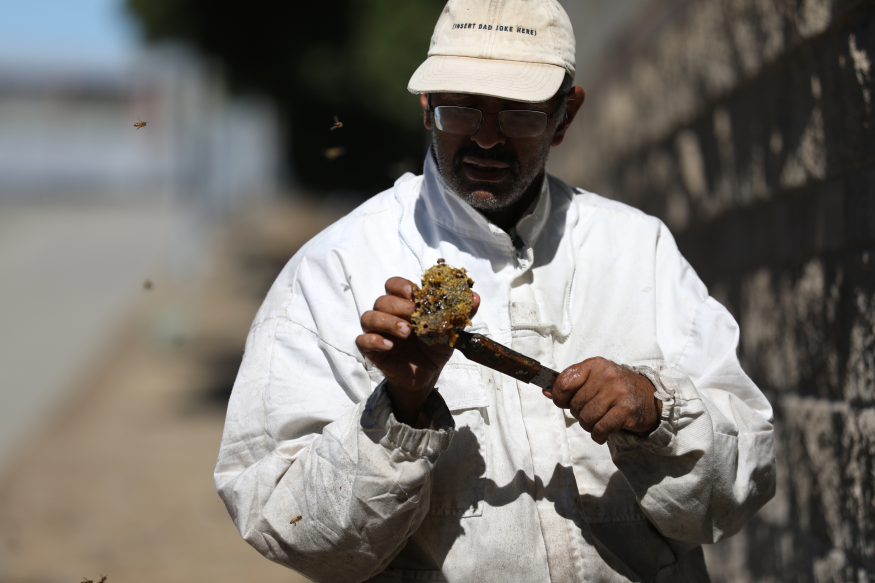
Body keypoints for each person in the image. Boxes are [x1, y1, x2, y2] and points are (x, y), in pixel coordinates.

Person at [214, 0, 776, 581]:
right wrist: (400, 412)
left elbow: (736, 494)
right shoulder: (334, 269)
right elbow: (297, 534)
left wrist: (655, 415)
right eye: (461, 110)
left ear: (566, 116)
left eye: (520, 113)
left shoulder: (639, 249)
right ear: (427, 107)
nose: (486, 138)